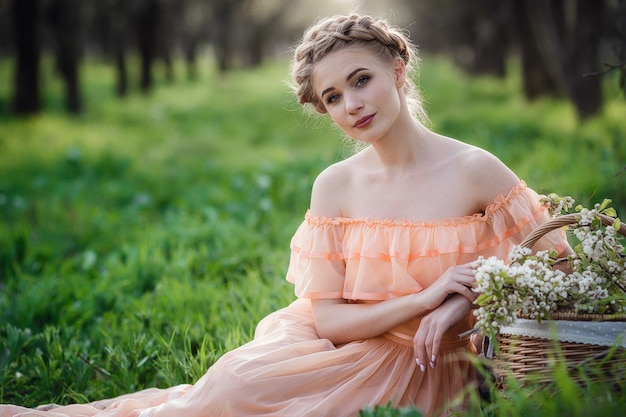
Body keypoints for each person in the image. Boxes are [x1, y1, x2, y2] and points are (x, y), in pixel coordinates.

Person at [0, 13, 572, 417]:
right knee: (231, 388)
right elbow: (328, 321)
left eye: (361, 80)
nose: (352, 105)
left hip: (443, 368)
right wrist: (424, 299)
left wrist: (459, 302)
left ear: (398, 68)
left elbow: (560, 273)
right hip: (353, 350)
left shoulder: (475, 170)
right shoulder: (337, 187)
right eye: (332, 97)